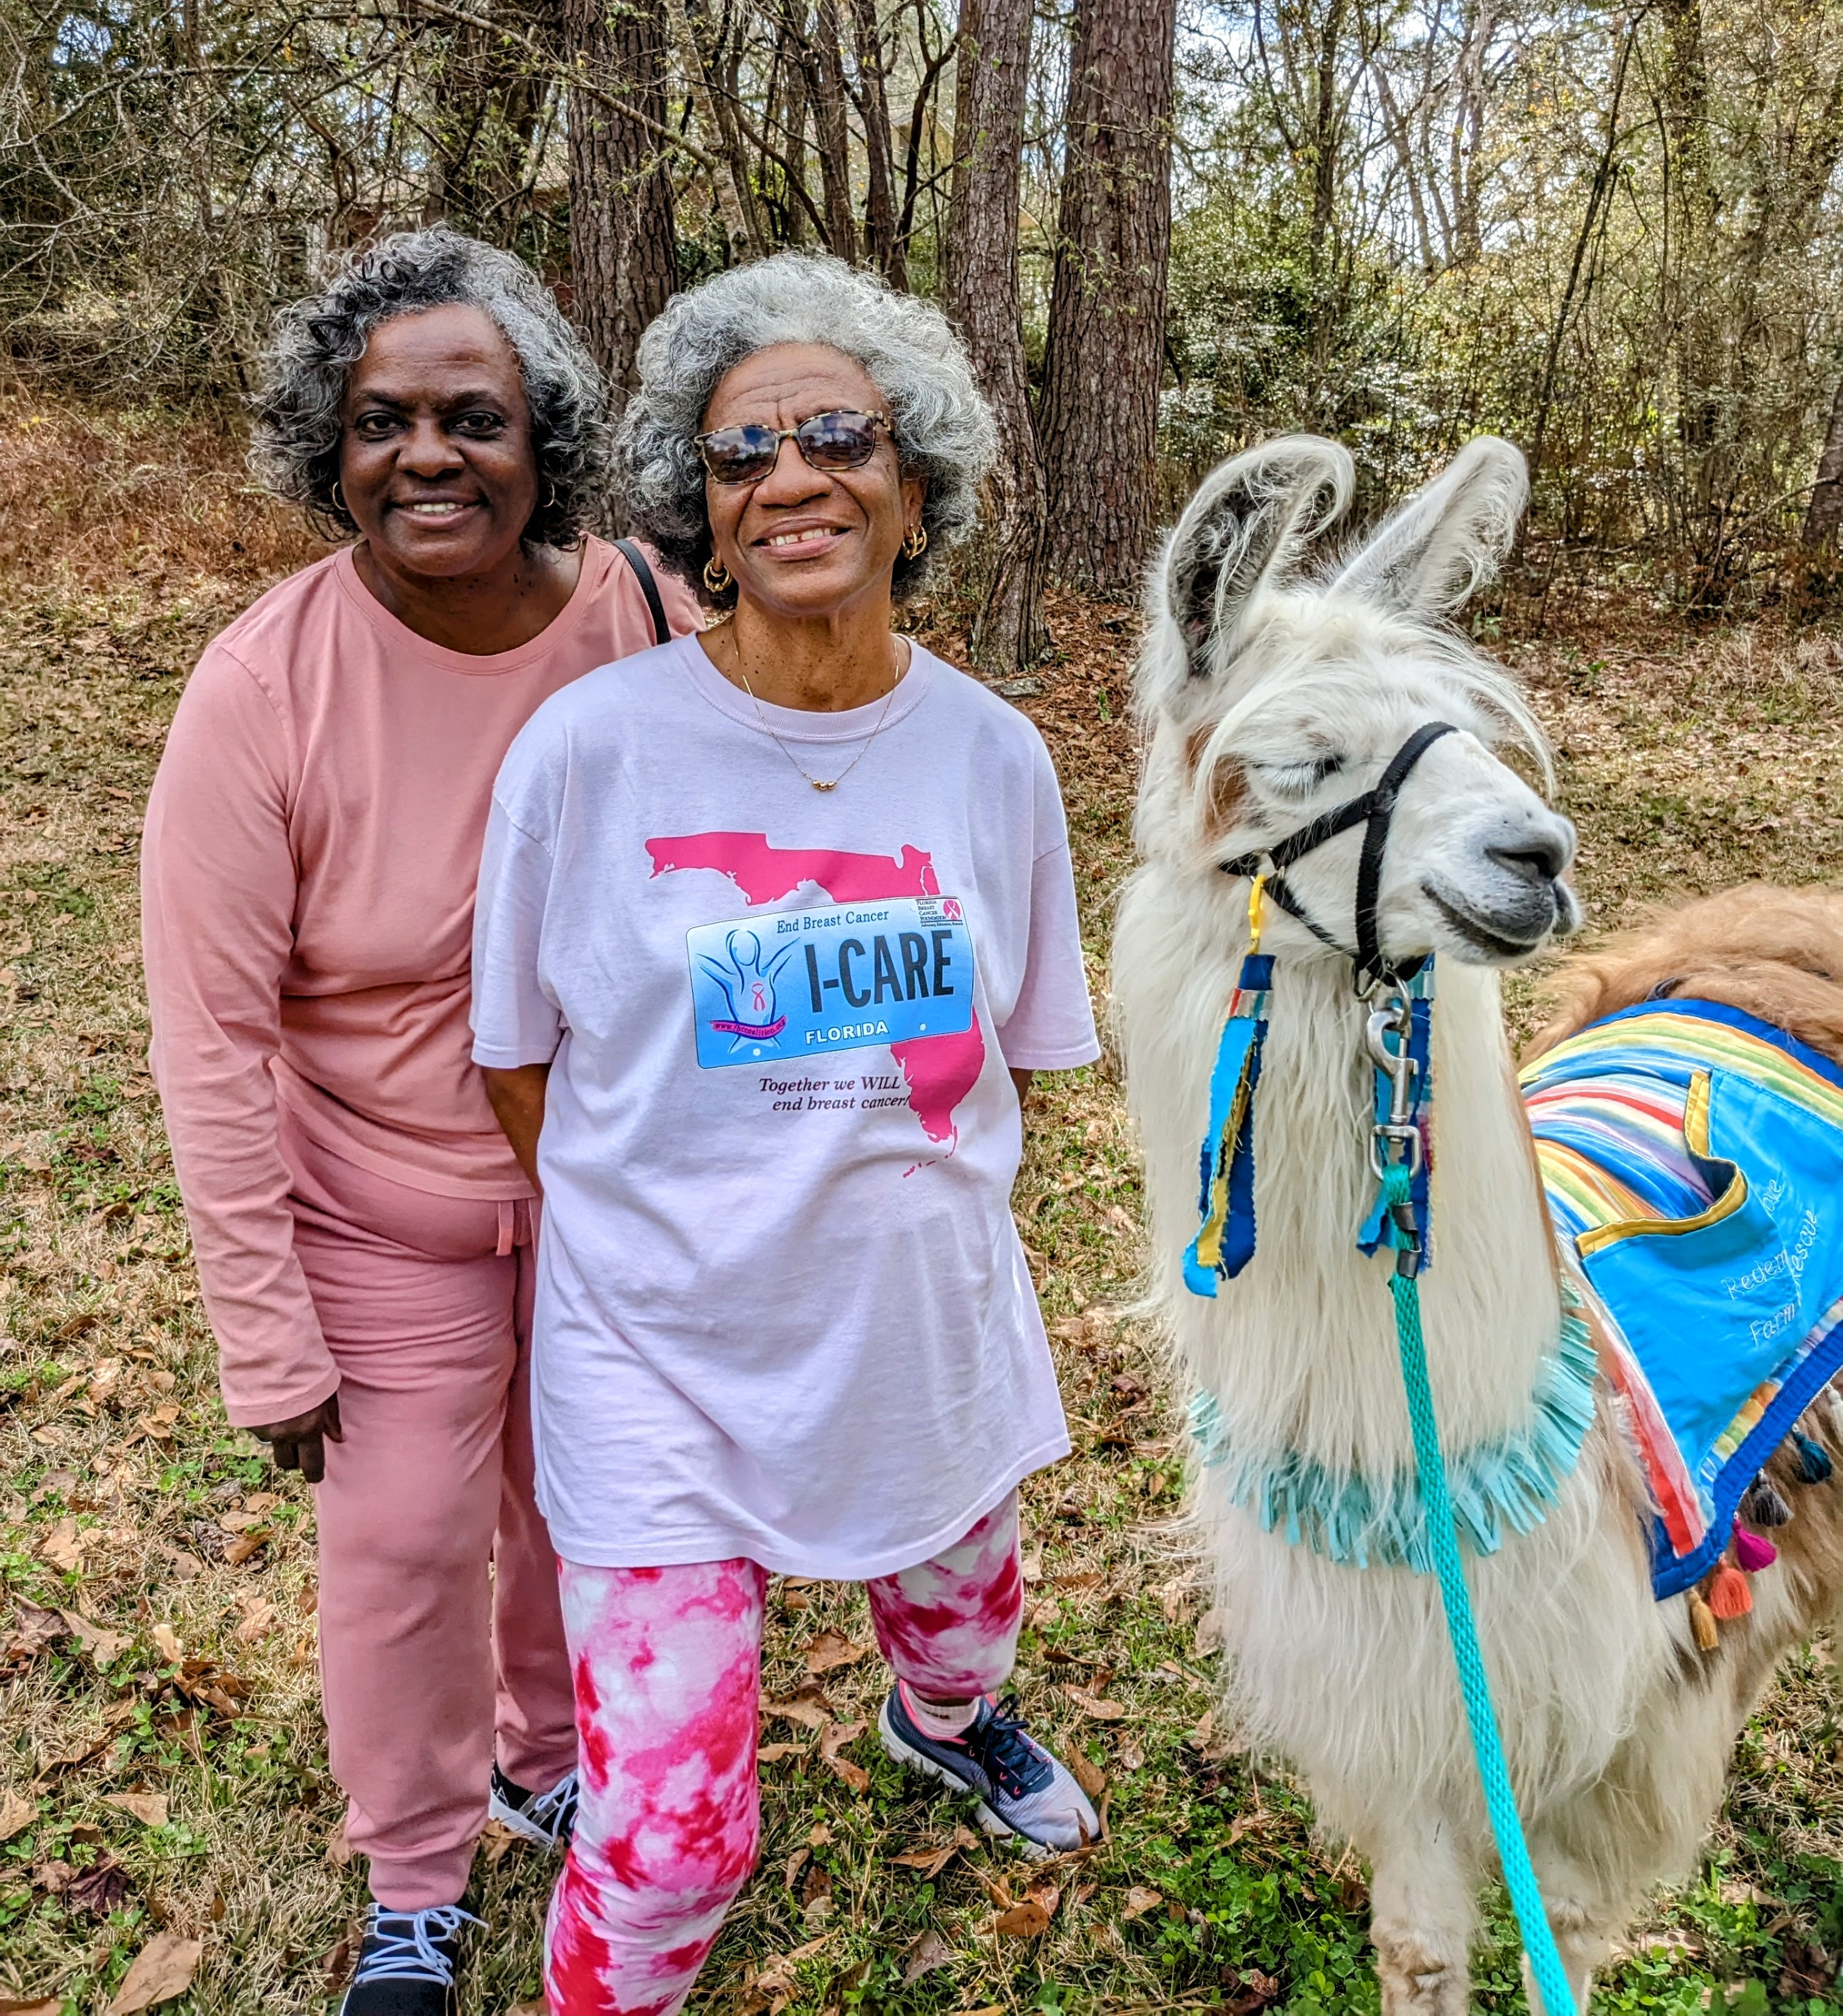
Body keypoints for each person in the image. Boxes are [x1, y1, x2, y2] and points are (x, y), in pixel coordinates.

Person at [470, 251, 1103, 2016]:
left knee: (967, 1614)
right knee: (668, 1832)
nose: (795, 475)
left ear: (915, 487)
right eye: (746, 453)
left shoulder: (996, 759)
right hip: (656, 1353)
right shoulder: (586, 755)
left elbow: (1012, 1061)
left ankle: (945, 1720)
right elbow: (520, 1058)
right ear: (700, 505)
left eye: (842, 435)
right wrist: (684, 1213)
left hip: (920, 1330)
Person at [140, 227, 700, 2016]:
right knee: (400, 1544)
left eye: (476, 414)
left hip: (612, 1196)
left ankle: (551, 1749)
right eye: (381, 421)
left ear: (551, 442)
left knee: (576, 1505)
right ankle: (415, 1878)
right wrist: (263, 1325)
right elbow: (210, 1038)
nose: (428, 454)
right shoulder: (261, 690)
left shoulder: (641, 618)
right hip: (385, 1212)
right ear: (331, 442)